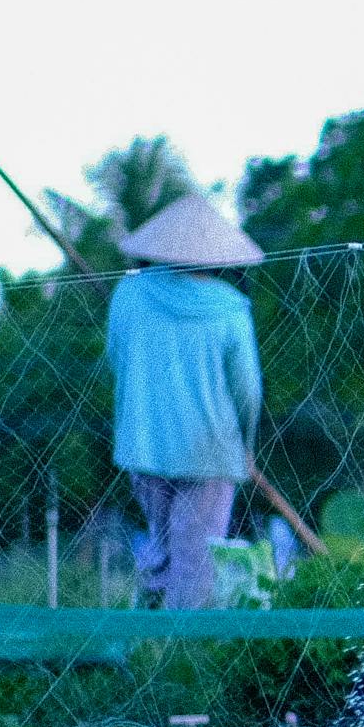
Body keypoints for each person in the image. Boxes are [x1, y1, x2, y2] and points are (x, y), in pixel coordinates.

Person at [104, 194, 265, 611]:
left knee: (160, 551)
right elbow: (247, 388)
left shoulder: (128, 293)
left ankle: (146, 642)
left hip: (143, 444)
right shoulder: (230, 308)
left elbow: (115, 359)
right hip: (209, 451)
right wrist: (246, 445)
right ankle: (179, 657)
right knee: (195, 565)